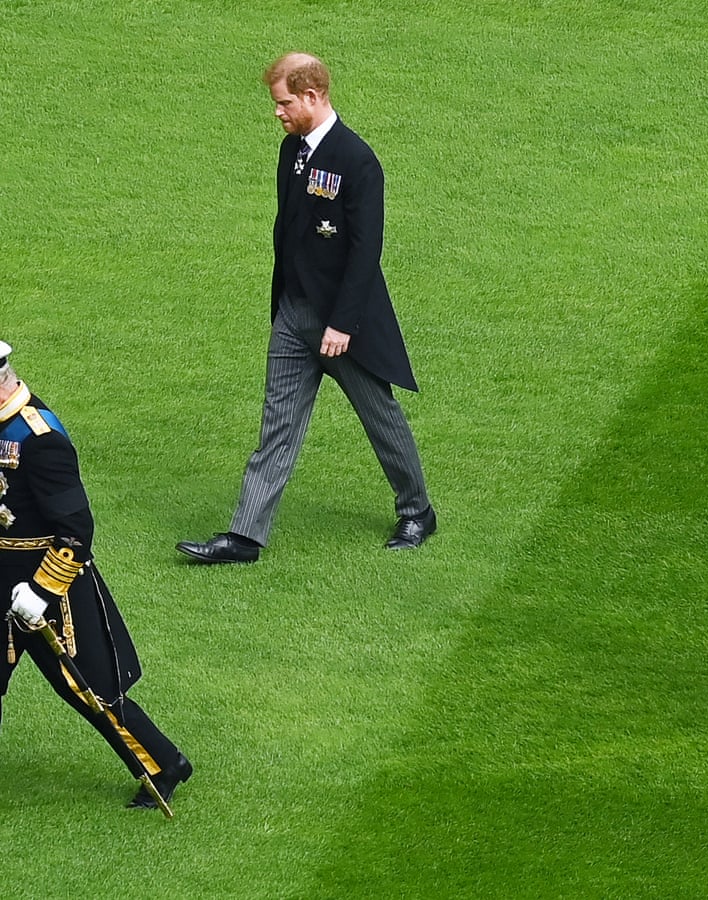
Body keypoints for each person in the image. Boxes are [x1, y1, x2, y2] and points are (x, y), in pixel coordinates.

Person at [177, 52, 435, 564]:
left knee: (379, 416)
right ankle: (245, 537)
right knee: (277, 424)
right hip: (294, 317)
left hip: (341, 324)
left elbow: (366, 251)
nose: (278, 112)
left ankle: (417, 511)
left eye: (284, 102)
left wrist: (342, 323)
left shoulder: (356, 159)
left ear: (313, 96)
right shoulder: (292, 151)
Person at [0, 341, 191, 809]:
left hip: (49, 589)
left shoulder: (39, 439)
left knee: (90, 690)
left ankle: (163, 765)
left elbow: (77, 531)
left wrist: (42, 590)